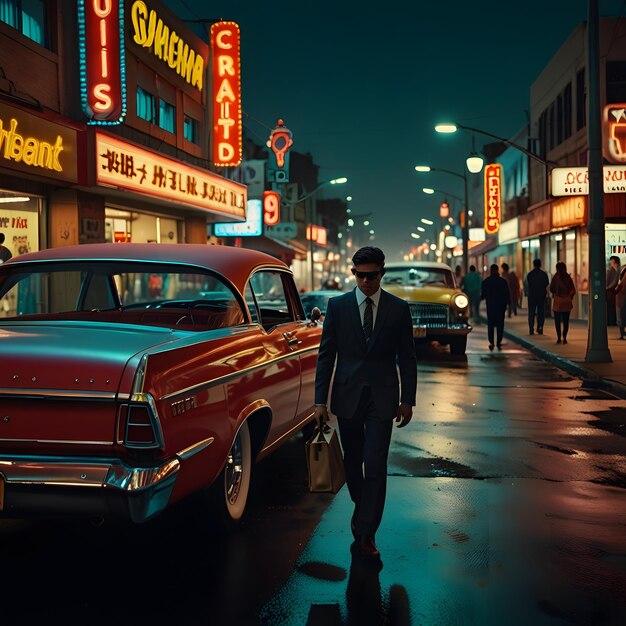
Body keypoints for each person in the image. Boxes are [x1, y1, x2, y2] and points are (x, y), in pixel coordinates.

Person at [314, 246, 417, 563]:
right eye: (359, 275)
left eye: (371, 276)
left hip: (383, 399)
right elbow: (326, 356)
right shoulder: (338, 306)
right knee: (353, 465)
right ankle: (364, 510)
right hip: (347, 397)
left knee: (375, 465)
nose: (365, 281)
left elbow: (407, 357)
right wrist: (320, 401)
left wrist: (407, 399)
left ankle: (366, 531)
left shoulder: (398, 309)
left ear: (381, 273)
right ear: (353, 273)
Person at [481, 263, 510, 351]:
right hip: (501, 306)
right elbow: (507, 294)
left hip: (491, 306)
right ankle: (498, 342)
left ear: (491, 271)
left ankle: (491, 342)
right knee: (500, 324)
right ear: (497, 270)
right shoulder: (503, 281)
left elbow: (483, 295)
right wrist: (508, 304)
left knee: (491, 324)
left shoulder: (486, 281)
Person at [550, 261, 576, 344]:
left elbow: (551, 288)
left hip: (558, 301)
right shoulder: (568, 277)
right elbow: (572, 289)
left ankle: (558, 338)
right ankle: (564, 337)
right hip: (566, 302)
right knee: (566, 321)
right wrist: (569, 297)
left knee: (557, 321)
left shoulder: (555, 277)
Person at [526, 258, 549, 335]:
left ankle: (531, 329)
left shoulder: (530, 274)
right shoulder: (544, 274)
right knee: (541, 312)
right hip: (541, 296)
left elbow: (528, 285)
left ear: (533, 264)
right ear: (540, 265)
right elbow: (546, 284)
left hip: (532, 296)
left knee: (531, 312)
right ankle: (540, 327)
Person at [606, 256, 620, 326]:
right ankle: (612, 321)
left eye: (611, 261)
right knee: (611, 307)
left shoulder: (612, 270)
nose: (611, 262)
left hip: (610, 291)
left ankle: (611, 321)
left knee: (610, 307)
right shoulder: (615, 270)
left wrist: (607, 287)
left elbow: (613, 281)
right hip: (612, 291)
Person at [616, 264, 626, 339]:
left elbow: (622, 285)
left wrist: (617, 290)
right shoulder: (623, 269)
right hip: (622, 297)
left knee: (622, 316)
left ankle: (623, 334)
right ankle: (622, 333)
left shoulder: (624, 271)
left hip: (623, 298)